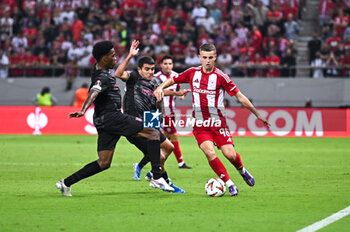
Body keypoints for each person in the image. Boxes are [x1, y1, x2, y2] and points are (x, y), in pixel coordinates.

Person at [56, 40, 174, 197]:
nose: (115, 58)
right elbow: (94, 90)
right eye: (112, 56)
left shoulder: (99, 70)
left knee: (104, 162)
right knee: (152, 132)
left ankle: (66, 183)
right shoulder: (102, 77)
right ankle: (157, 177)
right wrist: (83, 110)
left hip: (103, 121)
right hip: (113, 117)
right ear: (104, 58)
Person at [154, 43, 270, 196]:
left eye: (210, 58)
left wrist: (257, 114)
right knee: (210, 153)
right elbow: (173, 80)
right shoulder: (192, 73)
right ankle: (230, 184)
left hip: (218, 122)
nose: (207, 61)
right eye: (204, 57)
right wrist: (159, 88)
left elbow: (240, 97)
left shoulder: (221, 77)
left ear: (215, 57)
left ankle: (242, 170)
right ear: (199, 57)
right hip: (200, 124)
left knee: (230, 155)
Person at [115, 56, 190, 193]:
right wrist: (130, 55)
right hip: (134, 122)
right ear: (139, 69)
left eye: (152, 69)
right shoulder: (133, 78)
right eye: (147, 69)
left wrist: (176, 93)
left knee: (169, 147)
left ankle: (150, 171)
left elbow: (161, 92)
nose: (150, 72)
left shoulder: (156, 80)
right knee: (158, 155)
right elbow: (118, 74)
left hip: (150, 118)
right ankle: (163, 180)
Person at [155, 56, 192, 169]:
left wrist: (180, 95)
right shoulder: (156, 77)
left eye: (170, 63)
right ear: (161, 65)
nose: (167, 66)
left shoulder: (176, 76)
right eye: (165, 63)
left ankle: (153, 164)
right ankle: (181, 162)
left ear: (172, 65)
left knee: (166, 140)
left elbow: (177, 88)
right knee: (174, 136)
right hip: (161, 112)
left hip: (172, 111)